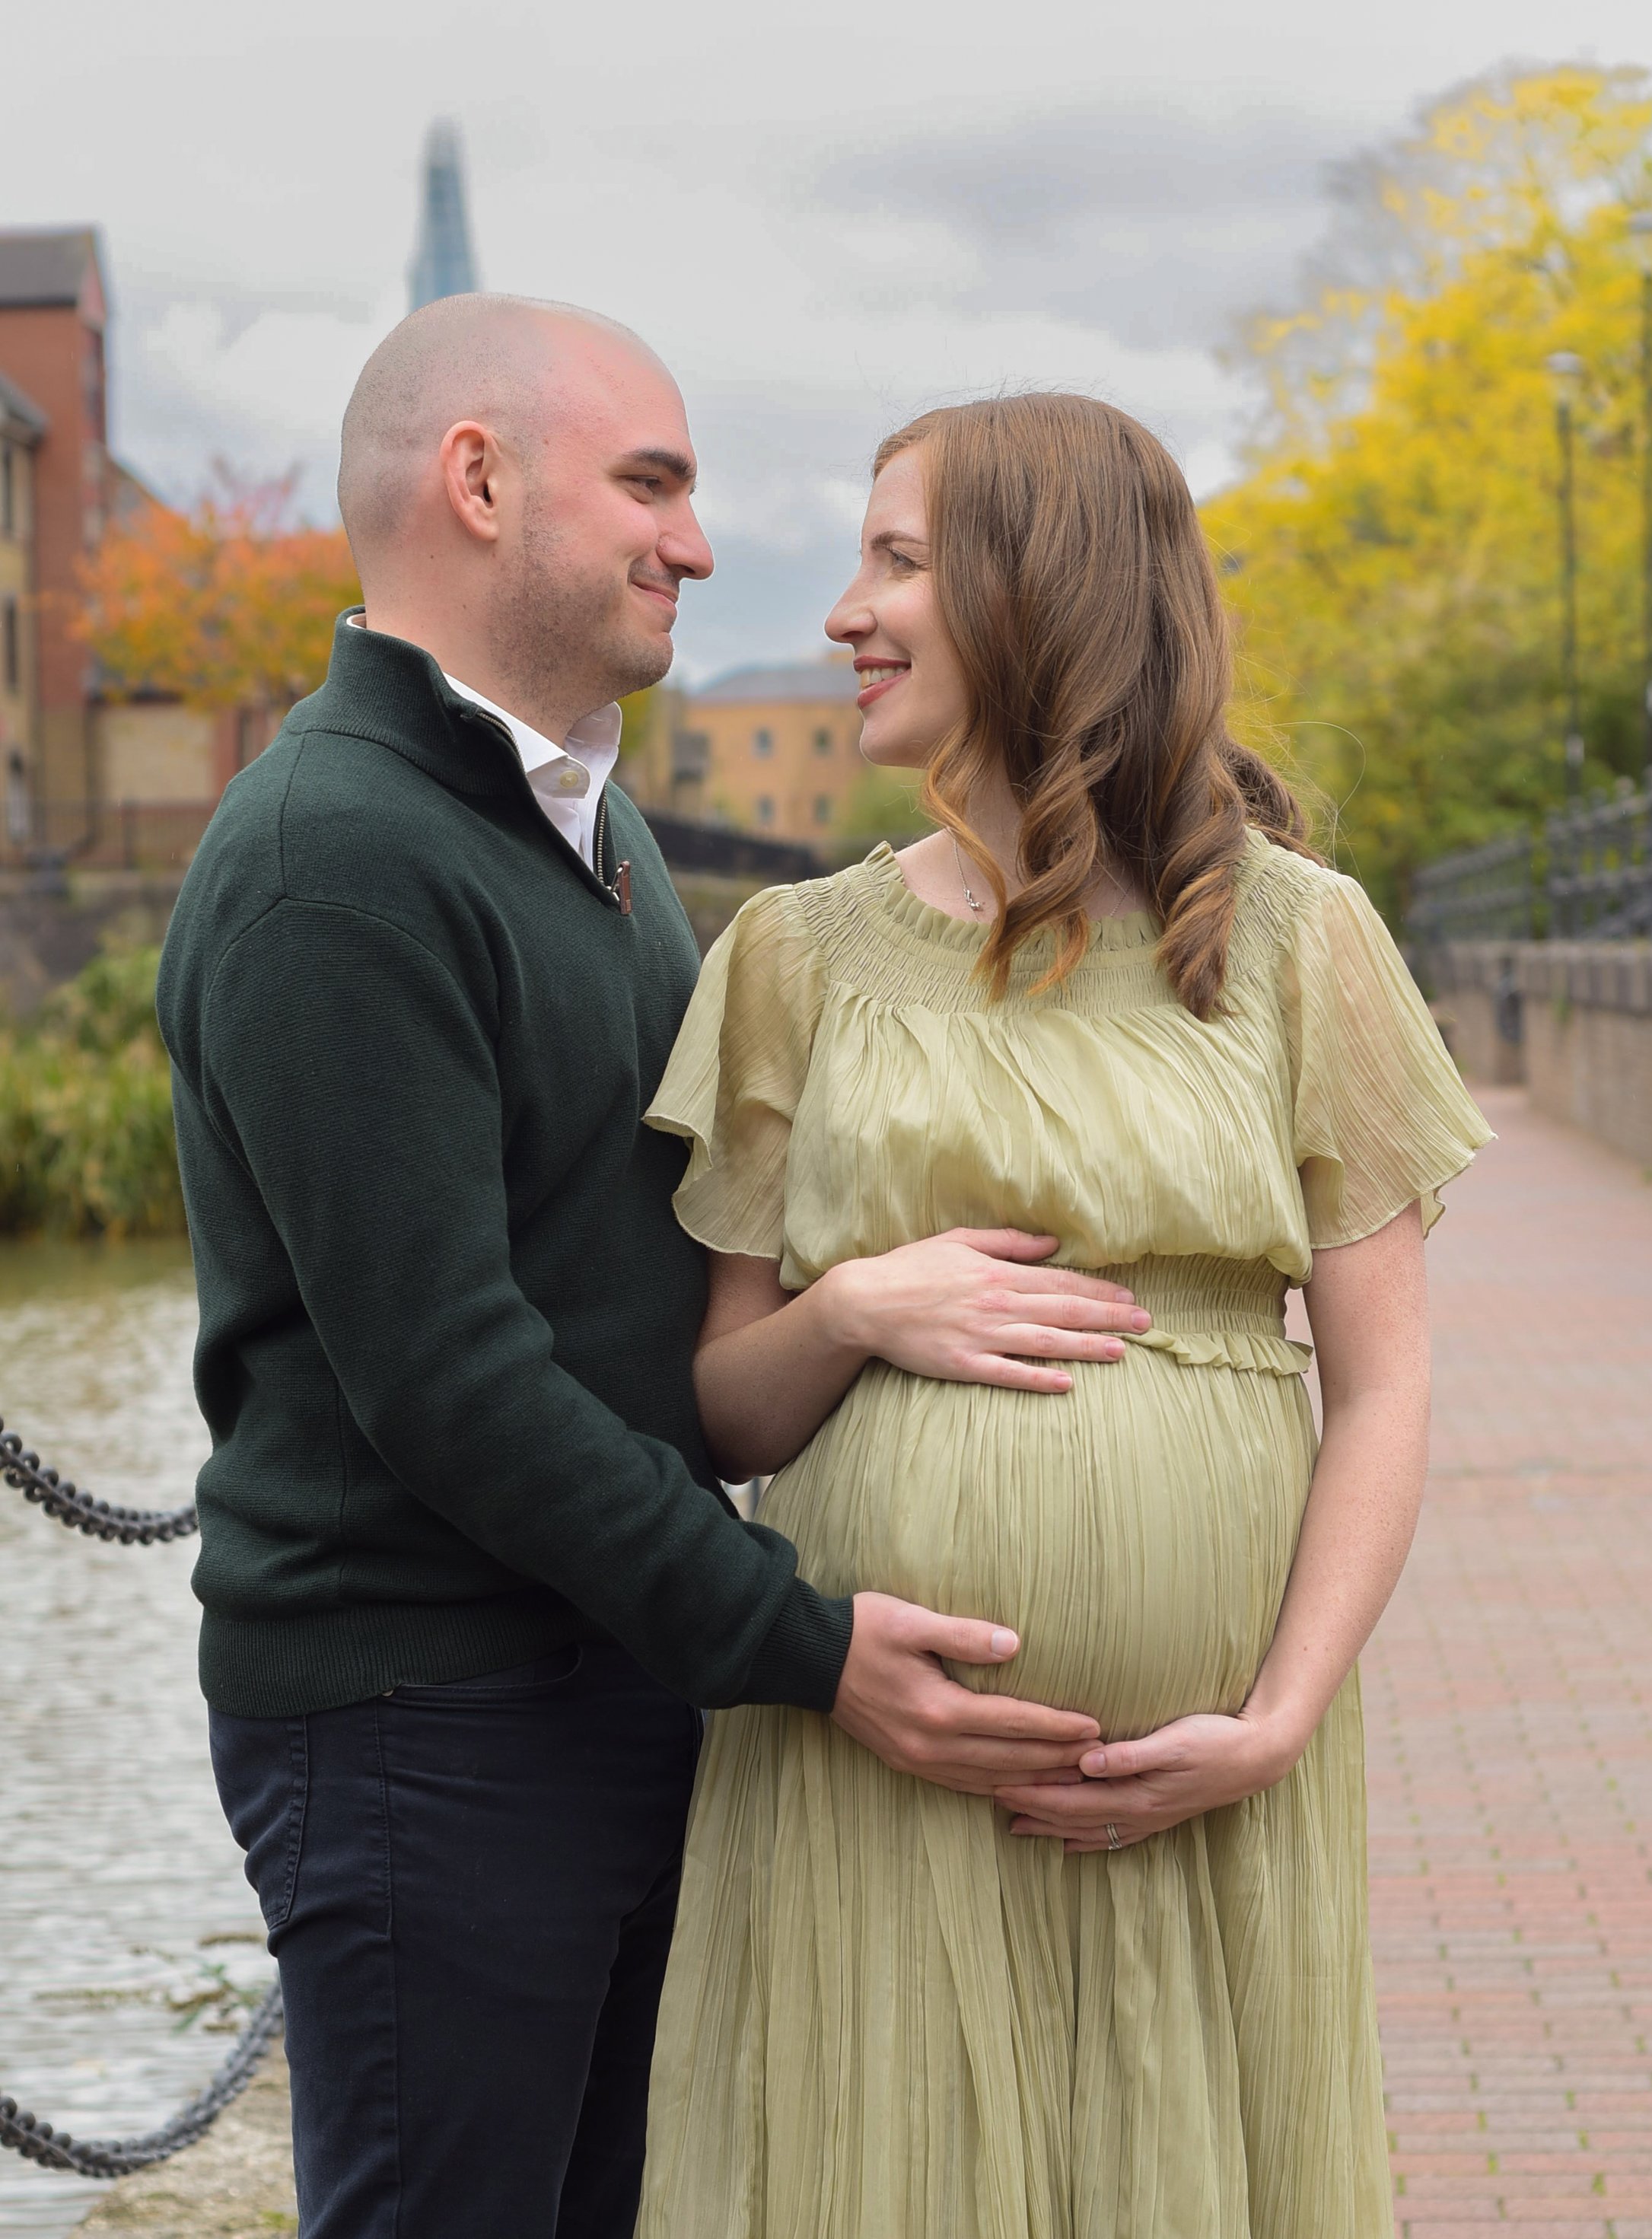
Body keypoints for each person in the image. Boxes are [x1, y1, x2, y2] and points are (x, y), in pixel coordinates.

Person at [155, 300, 1147, 2239]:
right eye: (652, 485)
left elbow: (668, 1279)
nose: (696, 543)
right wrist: (800, 1640)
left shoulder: (574, 835)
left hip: (589, 1681)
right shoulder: (336, 861)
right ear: (477, 482)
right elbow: (452, 1380)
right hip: (421, 1717)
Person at [633, 393, 1494, 2239]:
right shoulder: (791, 958)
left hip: (1200, 1792)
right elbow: (724, 1413)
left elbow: (1387, 1384)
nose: (843, 613)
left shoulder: (1290, 936)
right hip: (873, 1769)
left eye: (895, 561)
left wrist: (1276, 1718)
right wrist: (854, 1301)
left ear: (1047, 591)